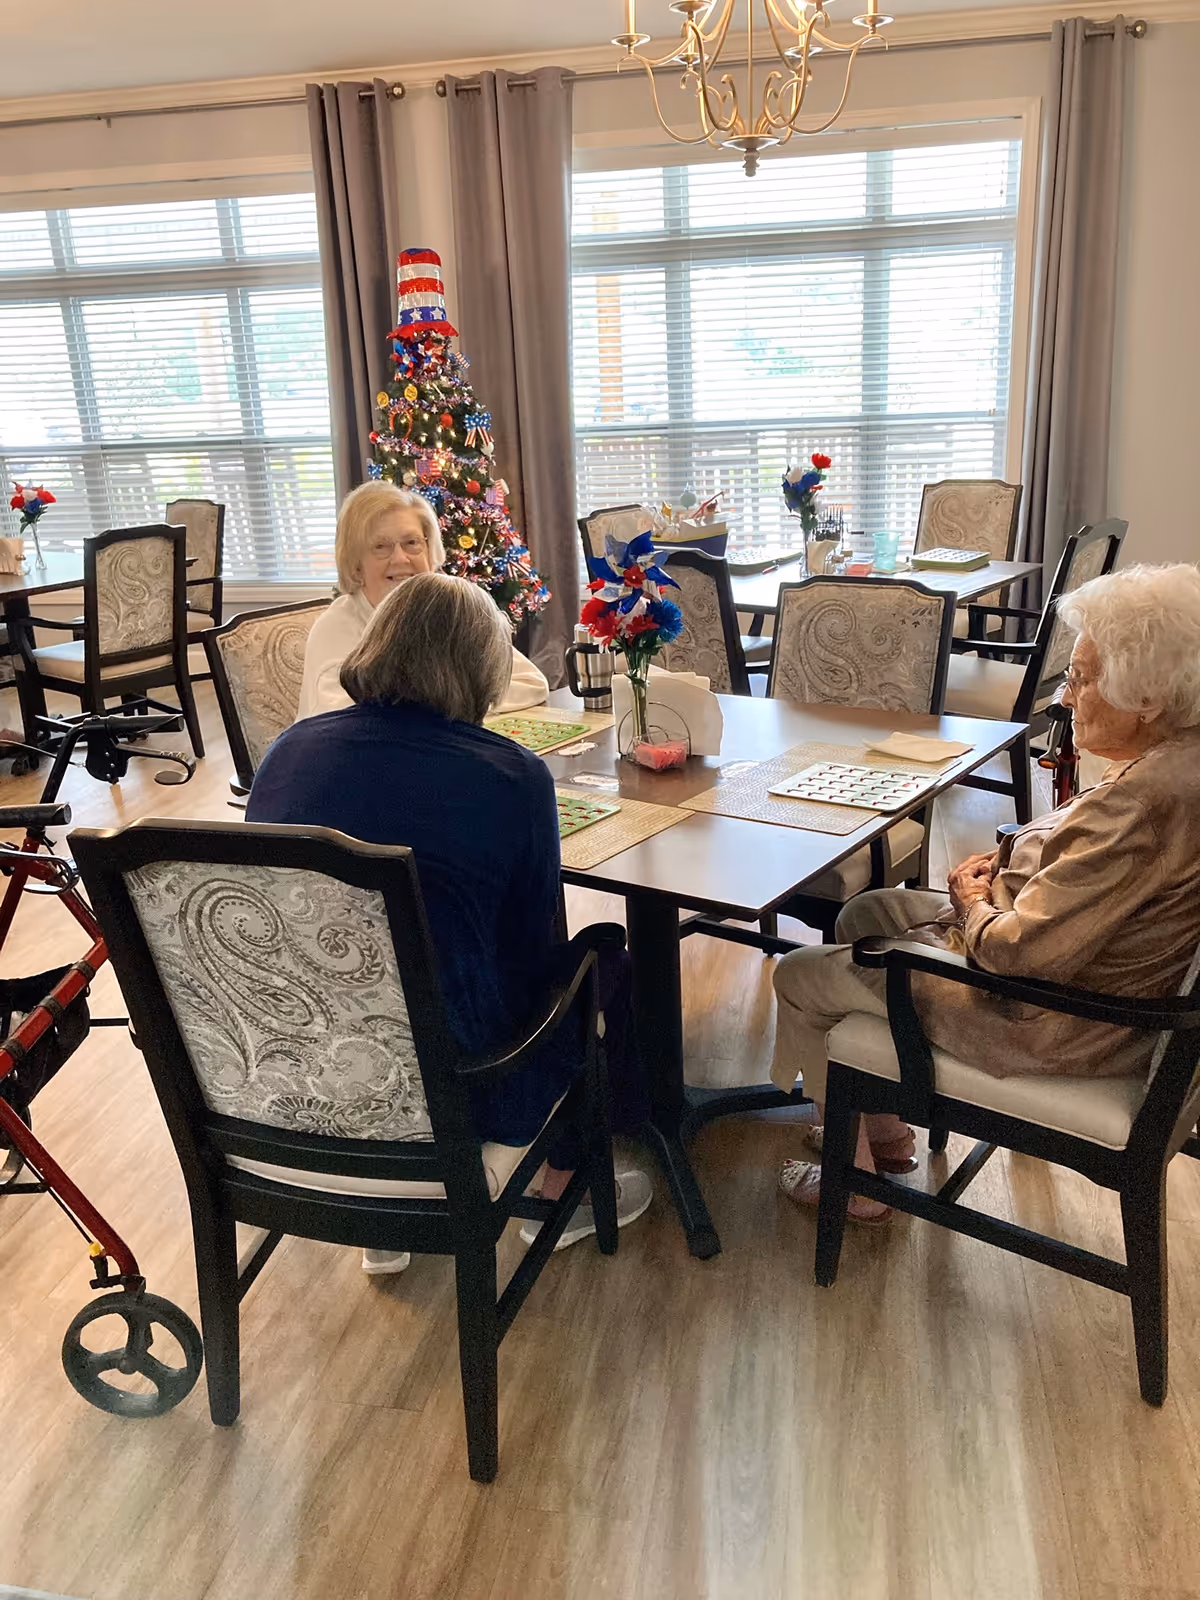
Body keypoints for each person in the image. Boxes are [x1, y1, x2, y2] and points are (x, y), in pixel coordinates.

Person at [770, 563, 1200, 1222]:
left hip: (1048, 1018)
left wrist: (971, 902)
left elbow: (1019, 954)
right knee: (866, 912)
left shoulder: (1140, 806)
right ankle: (884, 1132)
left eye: (1082, 680)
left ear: (1146, 695)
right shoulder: (1176, 762)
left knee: (801, 974)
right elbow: (1078, 880)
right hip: (1086, 981)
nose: (1063, 697)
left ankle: (851, 1180)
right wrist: (1005, 864)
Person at [249, 571, 651, 1271]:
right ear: (481, 666)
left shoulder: (289, 750)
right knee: (600, 957)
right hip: (452, 1095)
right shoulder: (509, 775)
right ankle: (565, 1191)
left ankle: (384, 1222)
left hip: (286, 1073)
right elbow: (530, 959)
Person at [297, 481, 548, 722]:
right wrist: (450, 705)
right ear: (356, 565)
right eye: (380, 546)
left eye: (412, 543)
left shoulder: (447, 610)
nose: (400, 559)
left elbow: (531, 684)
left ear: (430, 553)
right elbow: (341, 723)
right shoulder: (336, 628)